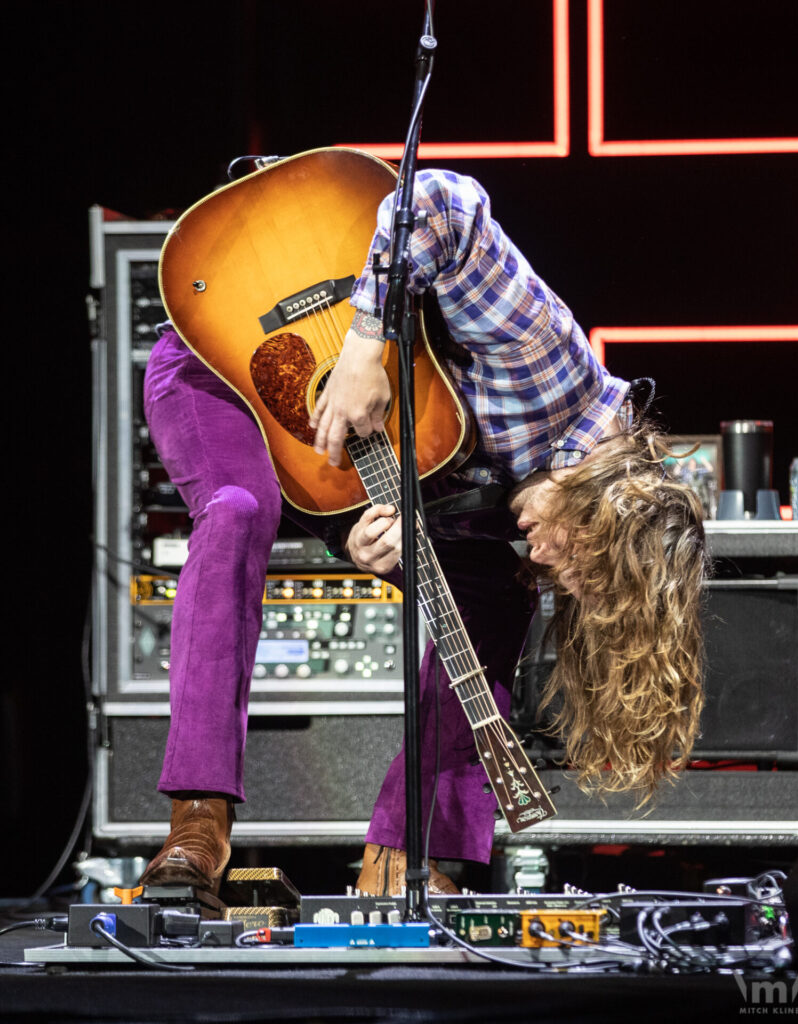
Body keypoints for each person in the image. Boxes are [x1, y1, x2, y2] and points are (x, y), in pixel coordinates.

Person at [139, 168, 707, 900]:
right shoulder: (548, 374)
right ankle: (196, 823)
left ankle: (405, 859)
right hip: (223, 356)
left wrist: (349, 529)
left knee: (494, 599)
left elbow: (367, 468)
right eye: (574, 558)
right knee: (237, 509)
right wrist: (363, 347)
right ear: (606, 508)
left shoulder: (524, 492)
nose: (540, 557)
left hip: (322, 454)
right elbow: (440, 199)